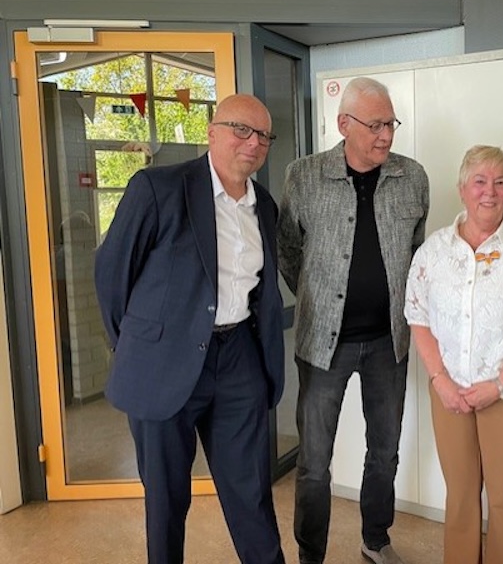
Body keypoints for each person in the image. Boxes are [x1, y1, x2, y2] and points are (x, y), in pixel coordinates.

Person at [95, 94, 286, 564]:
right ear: (212, 132)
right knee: (166, 499)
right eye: (242, 129)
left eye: (263, 135)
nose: (253, 143)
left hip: (238, 356)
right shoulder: (158, 188)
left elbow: (261, 289)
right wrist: (139, 345)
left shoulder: (264, 206)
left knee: (251, 491)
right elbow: (112, 274)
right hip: (162, 363)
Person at [277, 77, 429, 564]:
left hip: (389, 342)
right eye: (375, 125)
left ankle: (375, 539)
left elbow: (417, 252)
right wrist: (318, 297)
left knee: (384, 451)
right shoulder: (304, 176)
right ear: (344, 124)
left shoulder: (412, 177)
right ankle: (311, 555)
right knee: (314, 462)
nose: (386, 135)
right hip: (323, 345)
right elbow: (288, 250)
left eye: (391, 124)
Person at [404, 145, 503, 564]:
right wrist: (440, 380)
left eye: (499, 182)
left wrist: (499, 386)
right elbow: (418, 318)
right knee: (459, 495)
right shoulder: (433, 252)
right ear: (462, 188)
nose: (489, 192)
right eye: (479, 181)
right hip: (449, 391)